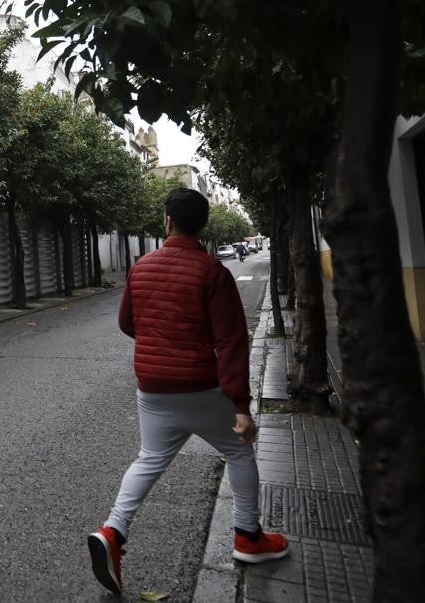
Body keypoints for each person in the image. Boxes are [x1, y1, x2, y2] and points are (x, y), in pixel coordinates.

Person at [87, 188, 288, 596]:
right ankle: (249, 536)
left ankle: (113, 531)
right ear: (204, 225)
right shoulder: (212, 272)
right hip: (201, 386)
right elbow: (231, 341)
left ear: (166, 221)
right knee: (237, 450)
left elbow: (128, 323)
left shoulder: (141, 266)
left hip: (153, 387)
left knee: (149, 459)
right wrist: (239, 406)